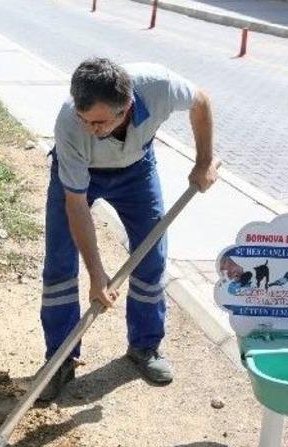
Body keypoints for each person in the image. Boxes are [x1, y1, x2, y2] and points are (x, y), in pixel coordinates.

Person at [38, 57, 218, 401]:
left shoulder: (159, 87)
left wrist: (204, 161)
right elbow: (76, 205)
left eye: (100, 122)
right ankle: (60, 359)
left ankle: (144, 347)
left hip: (136, 170)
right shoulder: (70, 122)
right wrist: (96, 273)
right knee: (60, 263)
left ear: (127, 108)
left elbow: (202, 102)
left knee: (151, 257)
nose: (91, 128)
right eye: (85, 119)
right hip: (78, 175)